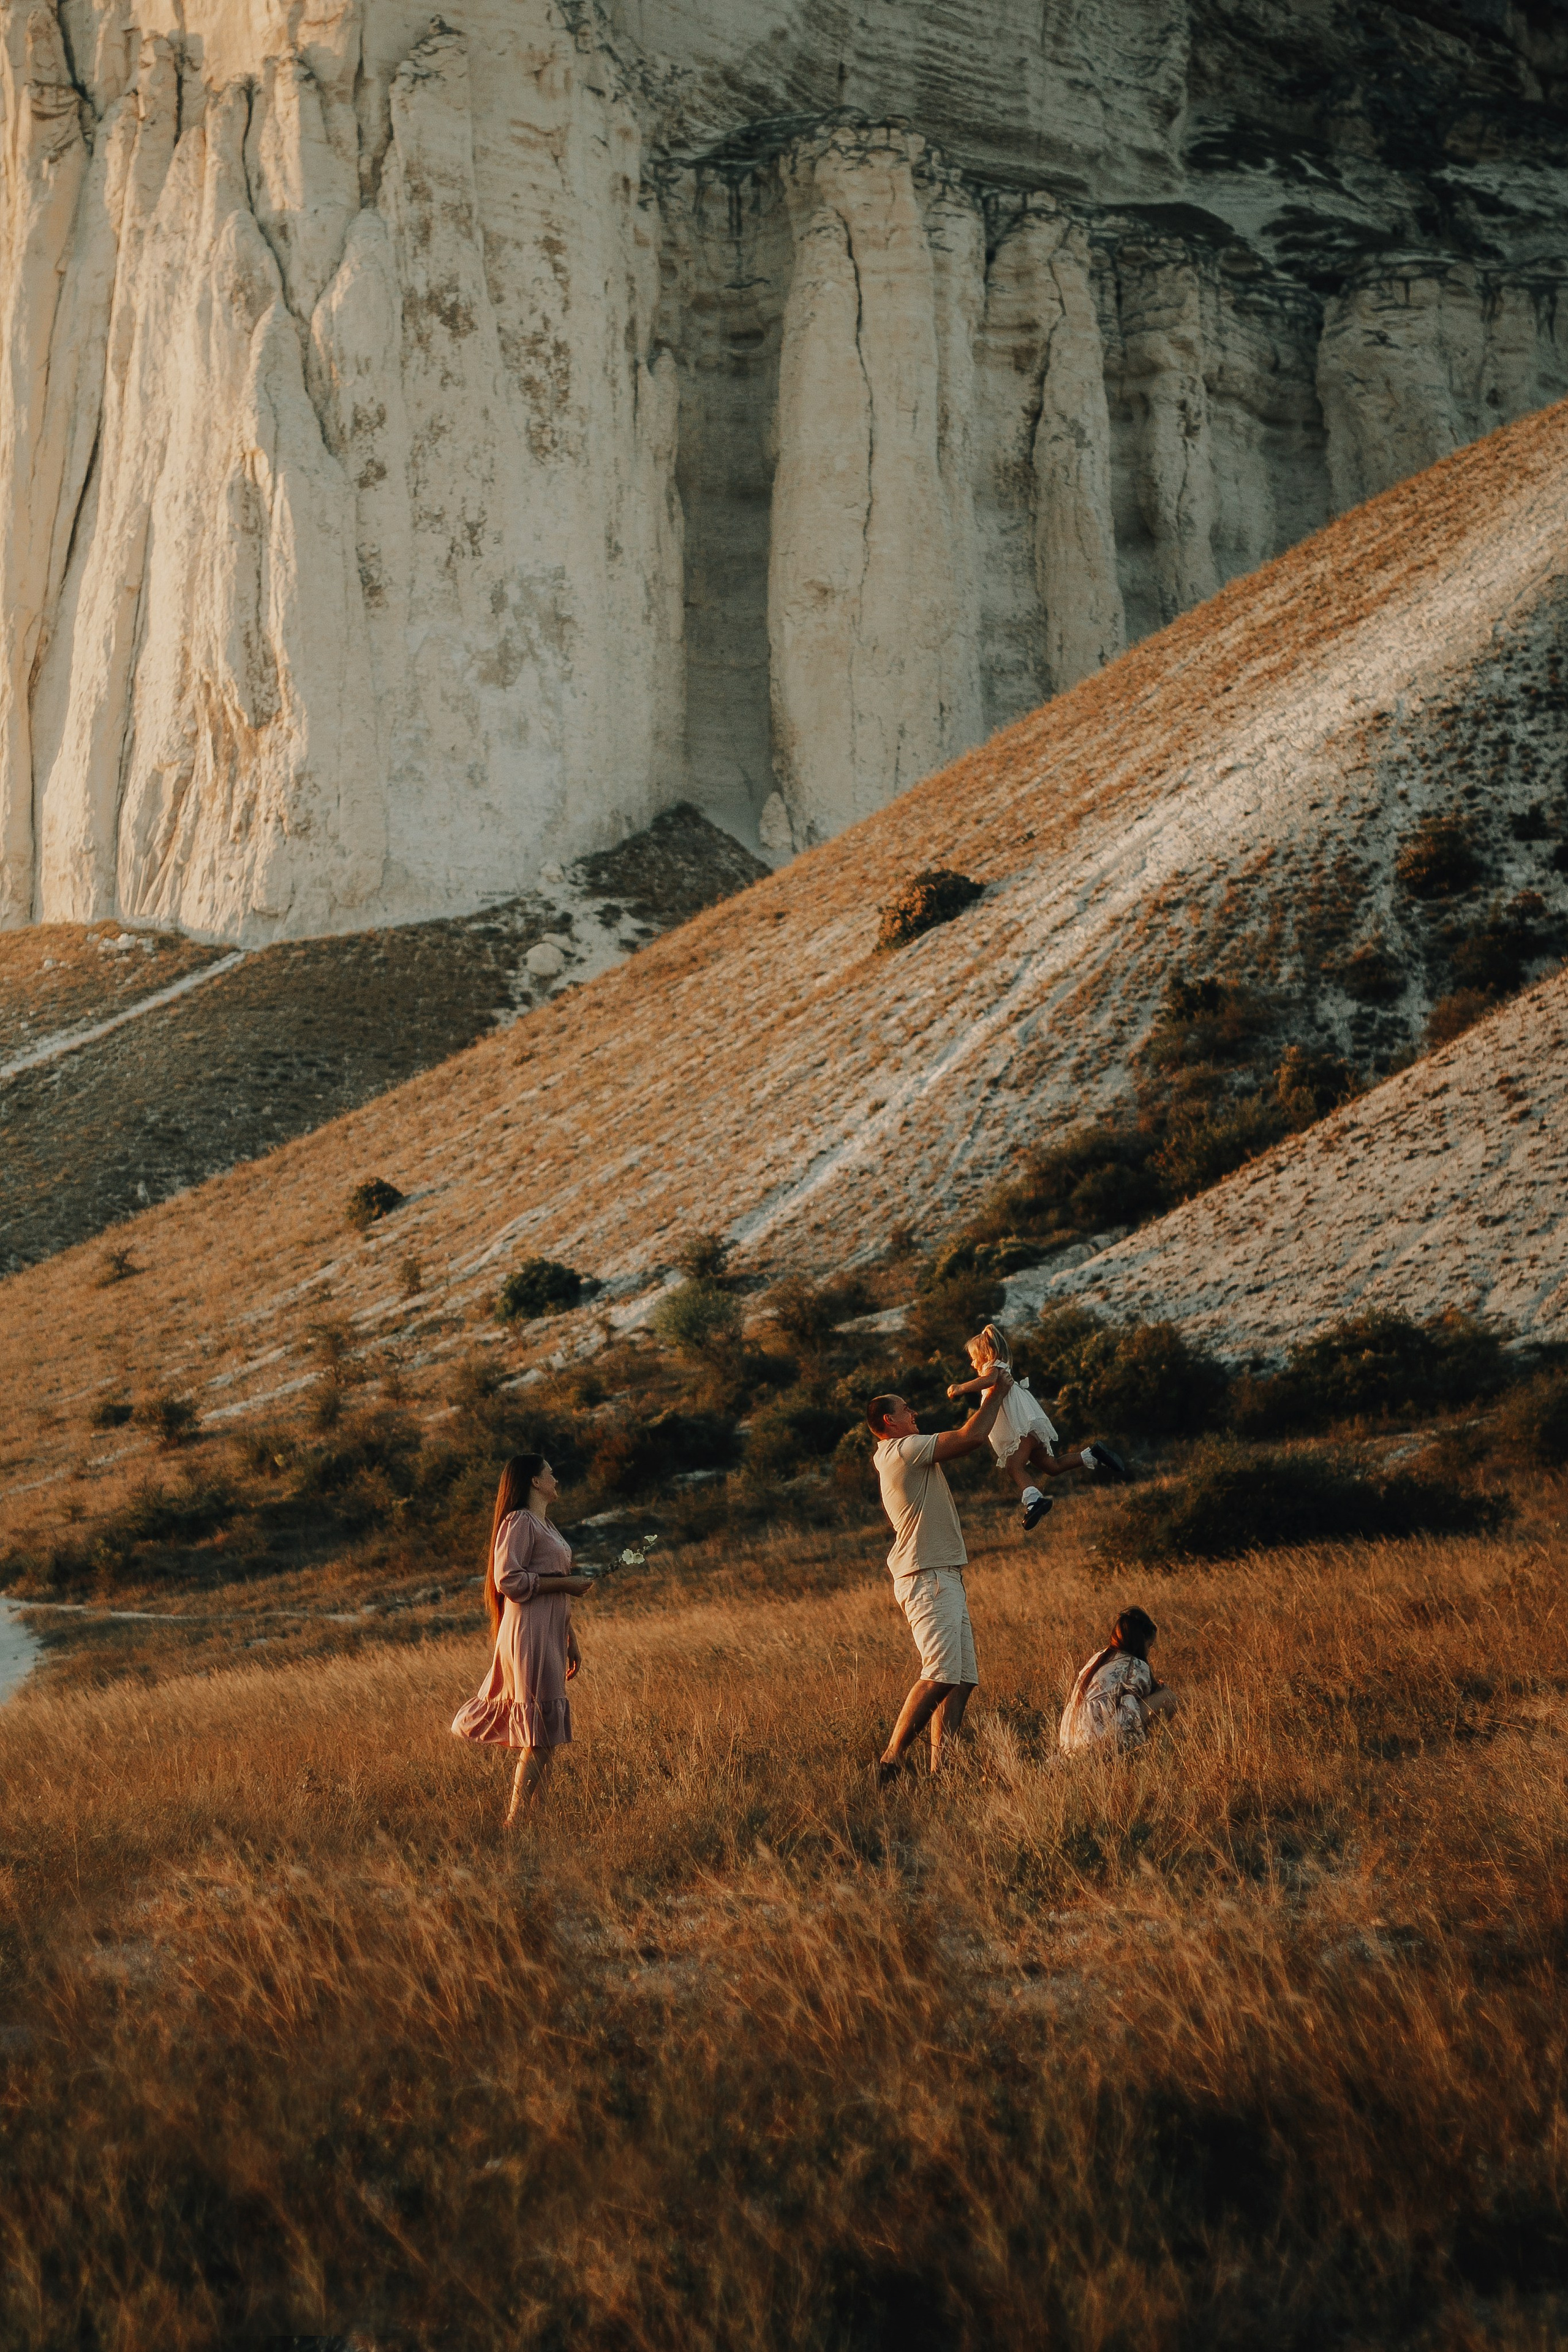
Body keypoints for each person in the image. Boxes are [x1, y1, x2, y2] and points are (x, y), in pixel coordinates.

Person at [866, 1369, 1015, 1784]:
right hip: (926, 1575)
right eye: (905, 1408)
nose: (914, 1412)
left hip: (940, 1574)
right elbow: (969, 1438)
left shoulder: (902, 1451)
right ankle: (890, 1761)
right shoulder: (902, 1450)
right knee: (940, 1673)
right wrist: (996, 1394)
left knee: (962, 1680)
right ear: (889, 1422)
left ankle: (941, 1775)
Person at [451, 1454, 595, 1822]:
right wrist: (567, 1584)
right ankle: (516, 1822)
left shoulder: (545, 1524)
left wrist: (570, 1638)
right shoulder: (519, 1522)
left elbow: (553, 1588)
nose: (555, 1477)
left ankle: (536, 1819)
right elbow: (509, 1581)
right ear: (534, 1482)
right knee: (538, 1736)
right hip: (528, 1632)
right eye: (549, 1472)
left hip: (549, 1630)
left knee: (546, 1735)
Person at [946, 1321, 1128, 1530]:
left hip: (1020, 1431)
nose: (972, 1364)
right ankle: (1092, 1455)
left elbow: (987, 1381)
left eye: (973, 1359)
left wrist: (961, 1388)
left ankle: (1034, 1501)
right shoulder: (1002, 1370)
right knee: (1052, 1467)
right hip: (1030, 1430)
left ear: (986, 1356)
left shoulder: (994, 1370)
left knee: (1014, 1467)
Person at [1058, 1605, 1179, 1755]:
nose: (1149, 1651)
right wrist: (1160, 1691)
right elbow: (1145, 1699)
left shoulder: (1097, 1658)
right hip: (1101, 1742)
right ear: (1141, 1642)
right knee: (1169, 1698)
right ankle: (1148, 1753)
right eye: (1150, 1646)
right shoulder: (1134, 1664)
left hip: (1071, 1742)